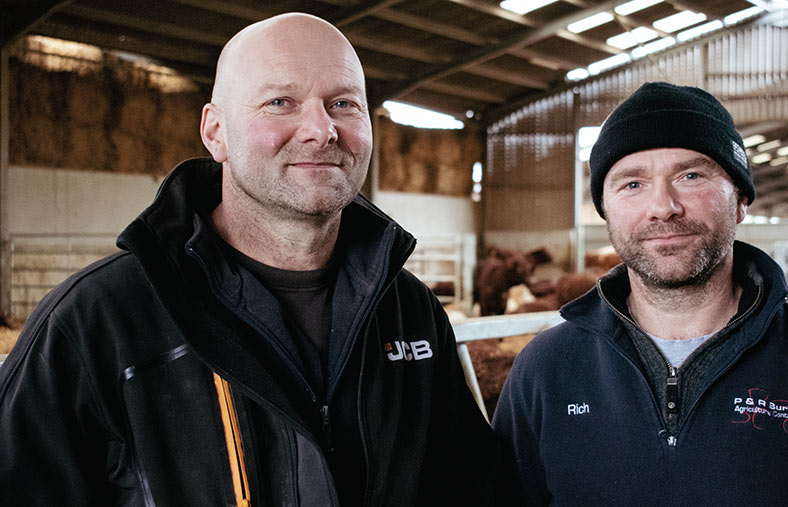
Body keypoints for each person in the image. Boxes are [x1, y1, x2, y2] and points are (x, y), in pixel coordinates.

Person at [0, 13, 510, 506]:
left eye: (344, 103)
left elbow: (470, 488)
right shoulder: (94, 324)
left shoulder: (409, 310)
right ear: (215, 132)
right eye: (281, 101)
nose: (321, 129)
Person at [492, 81, 788, 505]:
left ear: (740, 200)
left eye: (690, 176)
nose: (663, 206)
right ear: (606, 209)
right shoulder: (545, 371)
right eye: (632, 184)